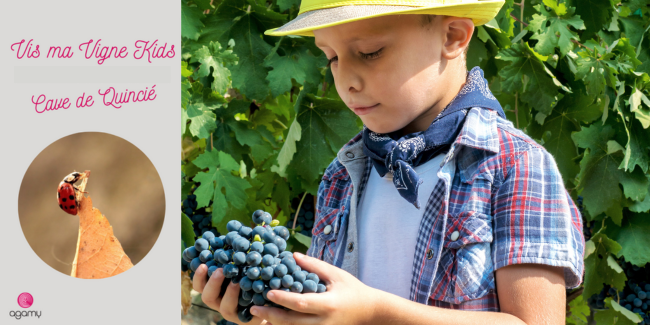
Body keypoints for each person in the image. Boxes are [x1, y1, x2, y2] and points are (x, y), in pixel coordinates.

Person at [193, 0, 585, 324]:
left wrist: (375, 313)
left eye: (369, 52)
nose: (345, 79)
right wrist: (272, 311)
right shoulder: (343, 174)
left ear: (452, 37)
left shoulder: (516, 166)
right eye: (330, 57)